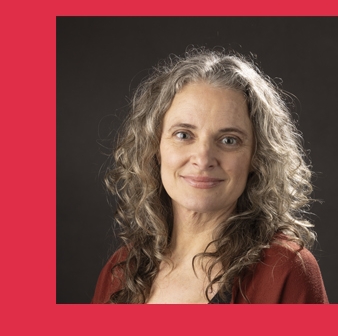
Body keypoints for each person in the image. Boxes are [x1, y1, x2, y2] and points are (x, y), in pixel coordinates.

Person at [95, 50, 325, 304]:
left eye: (229, 140)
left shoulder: (284, 270)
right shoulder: (121, 270)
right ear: (155, 147)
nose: (203, 159)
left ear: (257, 157)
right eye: (183, 135)